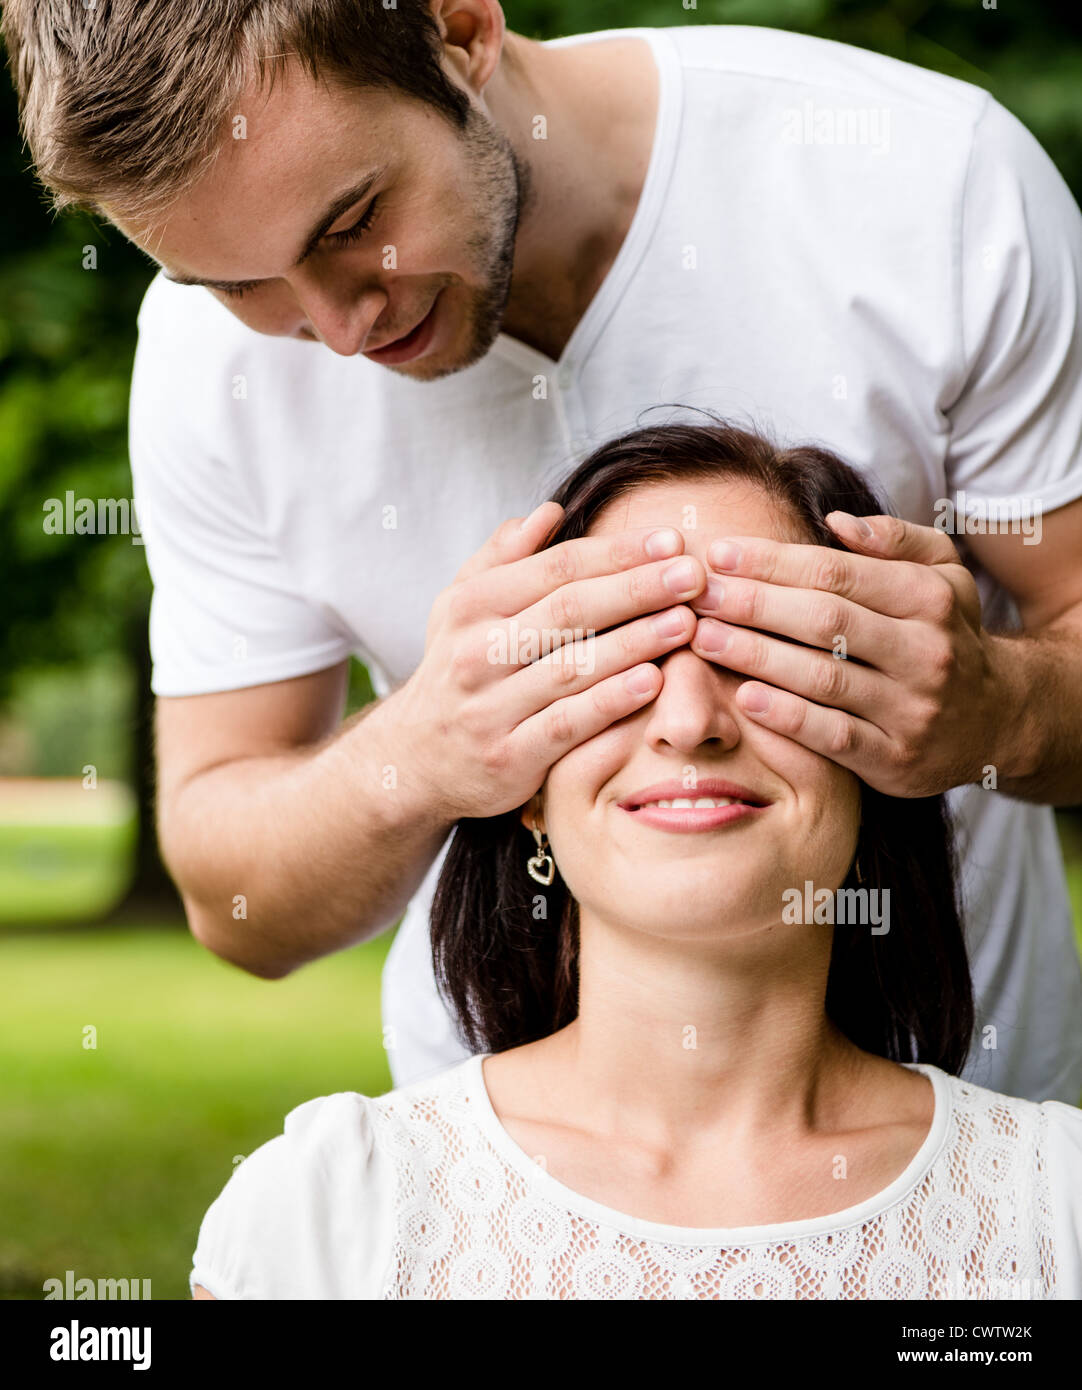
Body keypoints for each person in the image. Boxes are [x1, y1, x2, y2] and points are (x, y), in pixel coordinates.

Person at [5, 3, 1082, 1101]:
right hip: (494, 1214)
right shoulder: (202, 374)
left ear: (460, 28)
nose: (336, 330)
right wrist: (421, 750)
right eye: (238, 283)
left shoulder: (928, 184)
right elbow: (235, 899)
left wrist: (998, 708)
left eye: (350, 223)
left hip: (969, 1133)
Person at [188, 422, 1082, 1300]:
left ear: (883, 748)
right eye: (626, 653)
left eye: (765, 653)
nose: (691, 721)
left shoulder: (1059, 1212)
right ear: (526, 787)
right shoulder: (327, 1212)